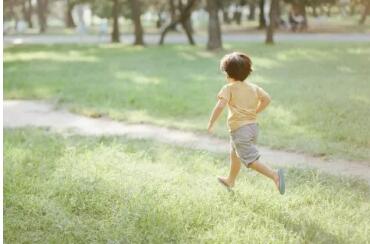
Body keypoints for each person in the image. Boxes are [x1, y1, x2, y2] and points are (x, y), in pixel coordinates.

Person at [207, 52, 285, 194]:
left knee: (249, 160)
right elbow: (267, 99)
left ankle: (274, 175)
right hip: (252, 127)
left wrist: (212, 122)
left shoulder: (228, 88)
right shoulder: (253, 87)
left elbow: (220, 106)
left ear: (227, 73)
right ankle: (230, 180)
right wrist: (255, 111)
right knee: (235, 153)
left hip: (240, 130)